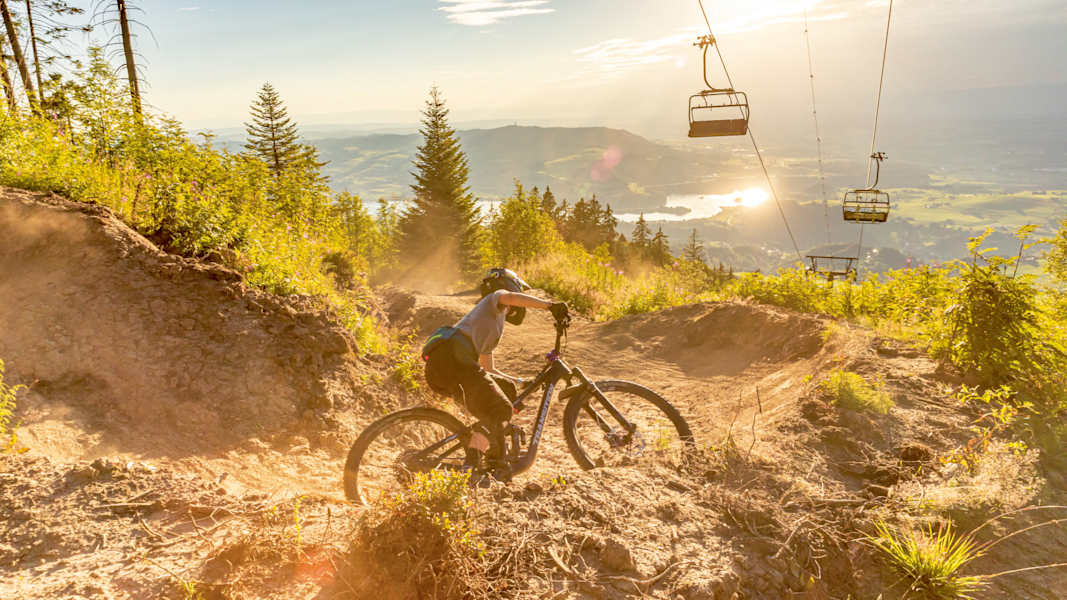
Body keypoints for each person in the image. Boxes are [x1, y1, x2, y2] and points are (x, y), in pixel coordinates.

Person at [422, 267, 568, 481]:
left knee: (503, 394)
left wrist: (520, 381)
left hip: (448, 367)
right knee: (500, 408)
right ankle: (473, 470)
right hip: (452, 362)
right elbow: (509, 297)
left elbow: (488, 371)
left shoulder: (490, 324)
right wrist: (550, 306)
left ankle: (482, 455)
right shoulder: (495, 299)